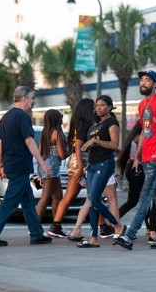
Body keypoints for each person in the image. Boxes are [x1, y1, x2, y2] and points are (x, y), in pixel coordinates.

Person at [114, 69, 156, 250]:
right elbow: (144, 132)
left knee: (144, 197)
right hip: (147, 157)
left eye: (147, 80)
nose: (143, 83)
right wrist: (138, 156)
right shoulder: (142, 105)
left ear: (155, 84)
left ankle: (129, 235)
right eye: (142, 80)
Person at [0, 86, 52, 246]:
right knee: (10, 201)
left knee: (27, 200)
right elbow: (29, 141)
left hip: (11, 164)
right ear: (24, 98)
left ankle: (36, 234)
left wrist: (0, 164)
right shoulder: (22, 117)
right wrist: (42, 163)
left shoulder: (6, 117)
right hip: (20, 165)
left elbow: (0, 143)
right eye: (32, 98)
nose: (33, 101)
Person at [76, 95, 125, 248]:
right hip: (92, 165)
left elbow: (115, 144)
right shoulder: (94, 126)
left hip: (104, 164)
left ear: (109, 107)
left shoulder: (112, 123)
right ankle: (93, 238)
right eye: (96, 105)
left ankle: (117, 225)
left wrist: (95, 141)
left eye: (102, 105)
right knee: (91, 201)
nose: (98, 108)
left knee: (95, 199)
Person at [48, 98, 94, 238]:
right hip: (80, 163)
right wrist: (81, 168)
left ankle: (103, 227)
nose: (95, 110)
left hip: (77, 161)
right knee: (73, 196)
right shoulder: (84, 124)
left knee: (91, 196)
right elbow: (79, 147)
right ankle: (55, 225)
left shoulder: (76, 124)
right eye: (93, 107)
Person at [35, 109, 67, 220]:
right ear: (56, 119)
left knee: (58, 197)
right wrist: (74, 150)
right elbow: (62, 155)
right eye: (61, 116)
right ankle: (35, 228)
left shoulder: (45, 132)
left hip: (46, 166)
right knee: (45, 197)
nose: (62, 118)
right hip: (52, 167)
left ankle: (56, 224)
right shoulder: (56, 133)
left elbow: (39, 151)